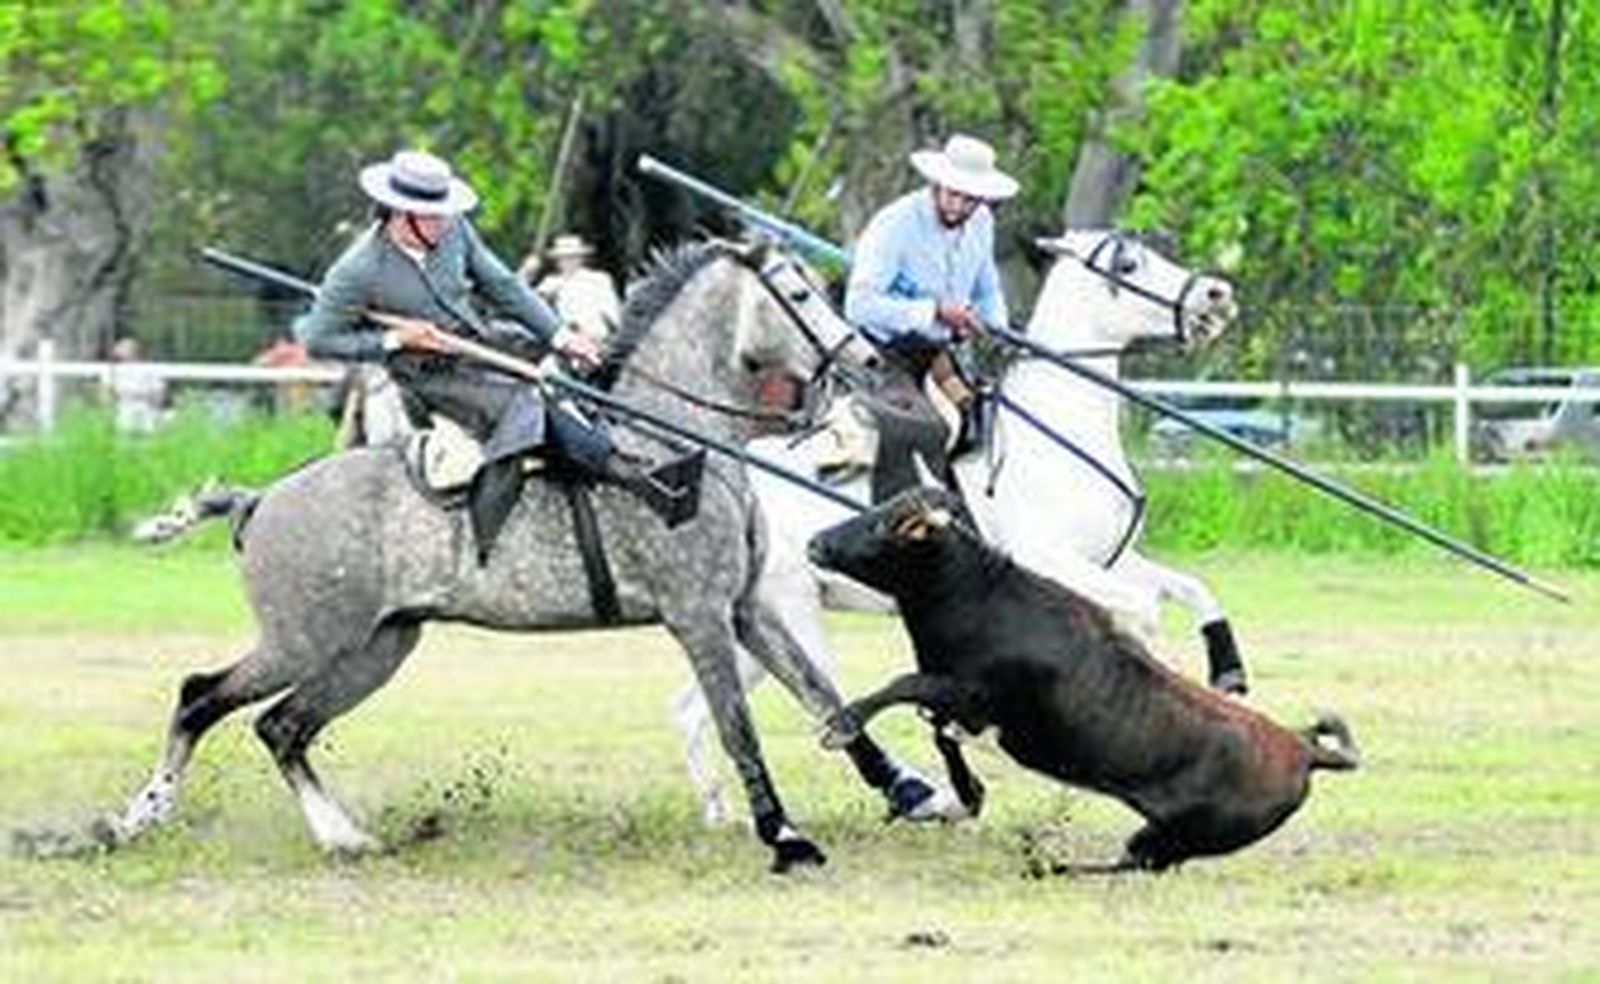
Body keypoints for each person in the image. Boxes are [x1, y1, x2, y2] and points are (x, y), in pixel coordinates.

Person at [293, 149, 703, 562]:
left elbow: (503, 287)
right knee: (524, 402)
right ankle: (624, 475)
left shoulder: (454, 231)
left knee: (565, 367)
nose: (447, 221)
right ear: (401, 215)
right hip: (429, 377)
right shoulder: (356, 271)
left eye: (446, 213)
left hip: (479, 343)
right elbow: (319, 339)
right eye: (435, 215)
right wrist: (395, 340)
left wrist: (561, 336)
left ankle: (601, 445)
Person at [844, 133, 1017, 503]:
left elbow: (987, 290)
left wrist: (996, 327)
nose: (957, 205)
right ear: (936, 184)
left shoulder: (981, 222)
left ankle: (962, 506)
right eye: (952, 193)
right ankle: (904, 515)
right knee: (923, 429)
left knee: (985, 420)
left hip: (935, 355)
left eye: (969, 198)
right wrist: (935, 311)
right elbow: (858, 305)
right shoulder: (895, 224)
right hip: (881, 351)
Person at [525, 233, 621, 346]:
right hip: (568, 342)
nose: (567, 262)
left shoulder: (599, 280)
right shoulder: (550, 283)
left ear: (580, 259)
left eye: (572, 257)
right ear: (557, 261)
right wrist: (527, 273)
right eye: (564, 258)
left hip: (600, 341)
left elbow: (614, 316)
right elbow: (529, 303)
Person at [106, 336, 168, 434]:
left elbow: (159, 394)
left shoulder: (150, 370)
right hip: (123, 411)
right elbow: (108, 393)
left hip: (148, 410)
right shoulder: (114, 371)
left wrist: (141, 394)